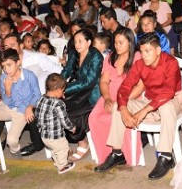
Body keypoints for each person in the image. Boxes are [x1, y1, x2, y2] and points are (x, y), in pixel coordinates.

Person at [95, 32, 182, 180]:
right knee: (118, 104)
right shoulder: (139, 64)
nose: (144, 55)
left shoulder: (170, 62)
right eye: (141, 52)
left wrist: (143, 112)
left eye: (148, 51)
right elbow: (124, 88)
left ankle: (166, 156)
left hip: (173, 101)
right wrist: (123, 110)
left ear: (158, 50)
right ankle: (117, 153)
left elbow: (168, 92)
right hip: (150, 102)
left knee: (165, 106)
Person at [88, 28, 142, 165]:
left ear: (130, 42)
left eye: (120, 42)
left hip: (130, 96)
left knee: (117, 117)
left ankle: (123, 154)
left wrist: (123, 100)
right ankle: (106, 155)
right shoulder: (110, 57)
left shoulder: (137, 57)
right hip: (110, 95)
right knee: (94, 117)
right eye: (115, 43)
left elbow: (141, 86)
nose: (117, 45)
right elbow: (104, 81)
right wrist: (106, 99)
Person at [0, 49, 41, 172]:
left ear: (18, 62)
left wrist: (30, 107)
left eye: (9, 65)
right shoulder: (4, 78)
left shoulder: (29, 75)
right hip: (7, 107)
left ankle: (15, 151)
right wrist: (8, 89)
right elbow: (7, 101)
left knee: (12, 140)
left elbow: (37, 94)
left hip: (22, 110)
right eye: (3, 67)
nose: (6, 69)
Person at [60, 28, 104, 161]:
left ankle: (83, 143)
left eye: (80, 41)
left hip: (92, 92)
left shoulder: (96, 56)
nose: (77, 44)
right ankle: (64, 145)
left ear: (89, 42)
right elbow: (66, 71)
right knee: (58, 107)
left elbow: (88, 82)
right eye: (75, 41)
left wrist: (65, 88)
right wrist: (58, 86)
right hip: (77, 90)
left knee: (70, 111)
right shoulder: (74, 54)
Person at [35, 73, 76, 174]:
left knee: (54, 149)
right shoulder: (58, 104)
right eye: (63, 90)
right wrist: (71, 127)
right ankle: (62, 166)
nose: (63, 93)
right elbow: (64, 120)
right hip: (56, 135)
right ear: (58, 90)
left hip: (44, 136)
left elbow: (37, 114)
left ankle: (57, 161)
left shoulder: (41, 99)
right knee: (63, 147)